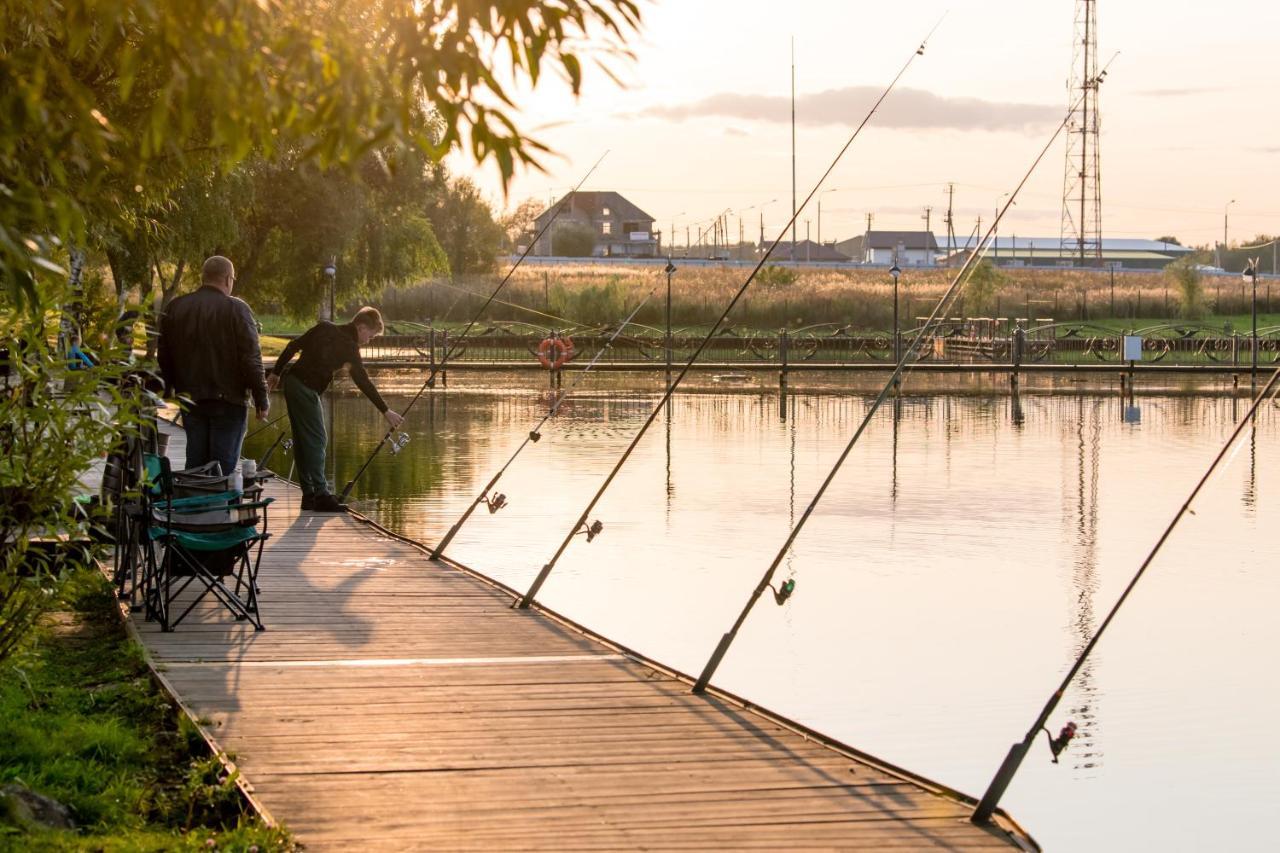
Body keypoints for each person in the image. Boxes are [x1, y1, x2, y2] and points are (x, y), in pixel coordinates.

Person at [266, 307, 403, 512]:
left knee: (303, 440)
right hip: (305, 388)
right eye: (370, 336)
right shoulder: (350, 347)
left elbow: (292, 346)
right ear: (361, 327)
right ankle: (321, 494)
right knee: (318, 438)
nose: (368, 341)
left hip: (293, 383)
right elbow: (363, 382)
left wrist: (277, 372)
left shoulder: (324, 327)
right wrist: (386, 410)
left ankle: (309, 495)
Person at [158, 256, 269, 477]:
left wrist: (170, 388)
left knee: (196, 462)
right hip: (229, 400)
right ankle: (218, 509)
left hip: (191, 399)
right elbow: (251, 358)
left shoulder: (176, 307)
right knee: (224, 466)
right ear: (228, 279)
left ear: (204, 277)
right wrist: (261, 397)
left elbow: (165, 355)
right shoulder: (236, 309)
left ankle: (196, 507)